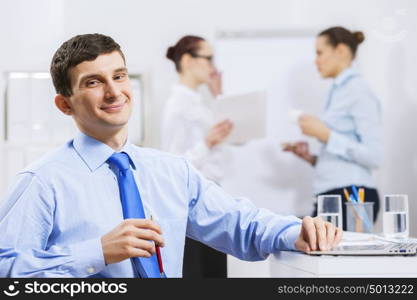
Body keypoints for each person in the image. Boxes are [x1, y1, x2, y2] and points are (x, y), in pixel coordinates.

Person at [0, 33, 342, 278]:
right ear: (64, 104)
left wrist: (295, 231)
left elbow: (240, 224)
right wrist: (97, 252)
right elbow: (6, 270)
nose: (113, 91)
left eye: (118, 76)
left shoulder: (172, 171)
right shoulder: (42, 182)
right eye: (93, 82)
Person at [283, 27, 383, 229]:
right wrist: (312, 158)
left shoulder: (358, 91)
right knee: (323, 259)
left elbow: (374, 156)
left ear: (341, 51)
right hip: (331, 194)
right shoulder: (337, 91)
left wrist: (325, 134)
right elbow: (342, 158)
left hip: (353, 195)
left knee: (348, 261)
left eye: (319, 53)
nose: (316, 60)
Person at [162, 35, 232, 278]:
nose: (213, 67)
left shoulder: (199, 102)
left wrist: (218, 96)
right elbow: (172, 165)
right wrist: (207, 142)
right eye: (208, 58)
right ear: (188, 60)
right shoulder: (178, 105)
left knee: (214, 271)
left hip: (212, 198)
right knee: (202, 273)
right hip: (194, 203)